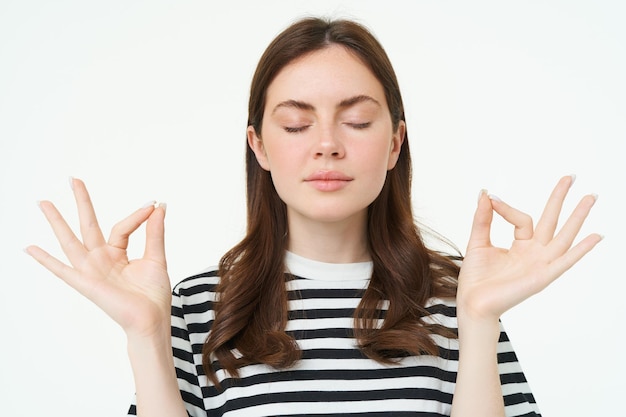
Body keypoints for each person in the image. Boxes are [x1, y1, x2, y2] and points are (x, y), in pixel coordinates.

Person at [26, 17, 601, 417]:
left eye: (356, 120)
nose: (326, 145)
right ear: (259, 147)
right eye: (297, 124)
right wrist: (145, 334)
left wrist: (478, 318)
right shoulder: (197, 308)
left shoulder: (467, 296)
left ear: (396, 143)